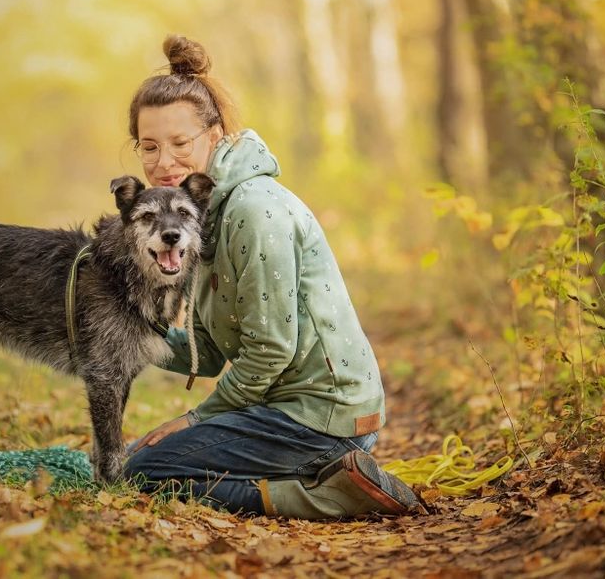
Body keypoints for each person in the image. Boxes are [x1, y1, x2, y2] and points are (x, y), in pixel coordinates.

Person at [121, 34, 418, 519]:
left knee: (145, 473)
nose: (162, 162)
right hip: (283, 407)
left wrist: (197, 418)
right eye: (149, 146)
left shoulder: (253, 211)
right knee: (133, 458)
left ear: (214, 137)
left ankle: (326, 494)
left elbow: (273, 348)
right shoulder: (198, 216)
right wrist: (122, 332)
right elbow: (209, 352)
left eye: (180, 143)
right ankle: (314, 471)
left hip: (327, 414)